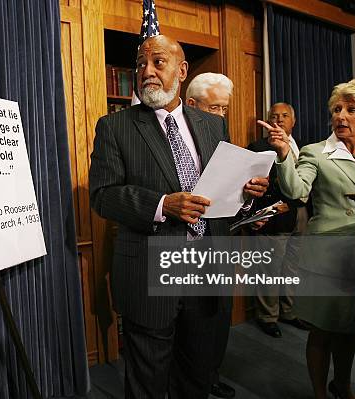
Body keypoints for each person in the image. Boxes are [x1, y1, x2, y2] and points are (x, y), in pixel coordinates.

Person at [89, 35, 269, 399]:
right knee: (147, 383)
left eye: (158, 62)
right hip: (150, 273)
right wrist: (161, 205)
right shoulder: (115, 126)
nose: (147, 72)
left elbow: (223, 192)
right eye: (141, 64)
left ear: (182, 70)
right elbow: (102, 196)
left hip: (208, 268)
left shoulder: (212, 125)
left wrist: (247, 196)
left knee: (198, 375)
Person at [260, 78, 355, 399]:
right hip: (327, 258)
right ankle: (320, 393)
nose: (341, 116)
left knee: (349, 330)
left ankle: (343, 385)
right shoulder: (316, 152)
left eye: (352, 110)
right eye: (337, 109)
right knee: (322, 332)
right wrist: (282, 155)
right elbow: (296, 191)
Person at [184, 72, 235, 399]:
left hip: (218, 239)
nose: (220, 116)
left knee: (218, 316)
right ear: (192, 104)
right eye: (215, 108)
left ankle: (210, 374)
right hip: (181, 244)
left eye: (224, 110)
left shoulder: (221, 137)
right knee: (188, 324)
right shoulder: (171, 138)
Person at [247, 102, 310, 338]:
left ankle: (289, 312)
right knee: (270, 268)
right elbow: (253, 185)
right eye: (275, 116)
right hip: (276, 214)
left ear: (293, 121)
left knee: (293, 266)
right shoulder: (259, 147)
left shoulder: (305, 147)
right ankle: (267, 316)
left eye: (285, 116)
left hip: (302, 213)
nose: (280, 119)